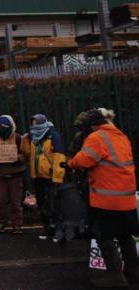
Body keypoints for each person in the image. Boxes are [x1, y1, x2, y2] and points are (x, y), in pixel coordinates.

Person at [68, 108, 138, 288]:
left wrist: (70, 162)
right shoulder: (120, 136)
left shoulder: (97, 137)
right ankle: (133, 272)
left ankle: (115, 276)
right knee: (125, 236)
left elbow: (83, 160)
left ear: (92, 125)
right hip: (126, 197)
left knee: (103, 235)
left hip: (107, 197)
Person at [0, 115, 30, 234]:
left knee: (16, 201)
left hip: (15, 174)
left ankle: (17, 225)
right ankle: (0, 223)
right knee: (0, 200)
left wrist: (19, 158)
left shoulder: (19, 138)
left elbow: (26, 154)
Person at [26, 113, 66, 239]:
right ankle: (47, 228)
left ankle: (58, 230)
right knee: (43, 204)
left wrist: (57, 177)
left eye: (36, 124)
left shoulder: (53, 136)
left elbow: (59, 157)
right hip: (38, 177)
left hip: (50, 177)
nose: (34, 127)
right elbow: (30, 155)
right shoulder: (33, 138)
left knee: (54, 205)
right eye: (32, 125)